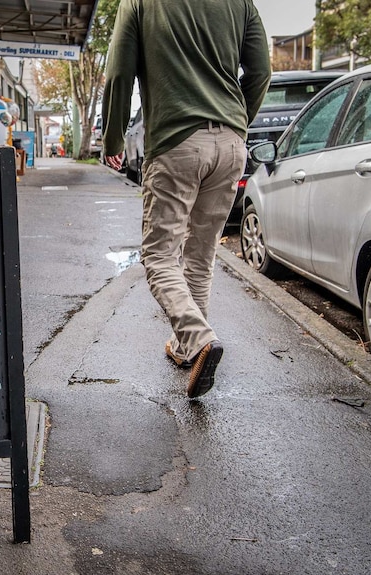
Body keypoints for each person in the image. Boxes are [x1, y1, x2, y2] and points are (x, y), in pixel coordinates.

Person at [101, 0, 270, 398]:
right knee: (201, 253)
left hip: (176, 141)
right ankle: (186, 348)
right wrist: (237, 121)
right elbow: (261, 71)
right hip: (231, 145)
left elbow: (120, 72)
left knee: (160, 255)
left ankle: (197, 339)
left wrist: (112, 138)